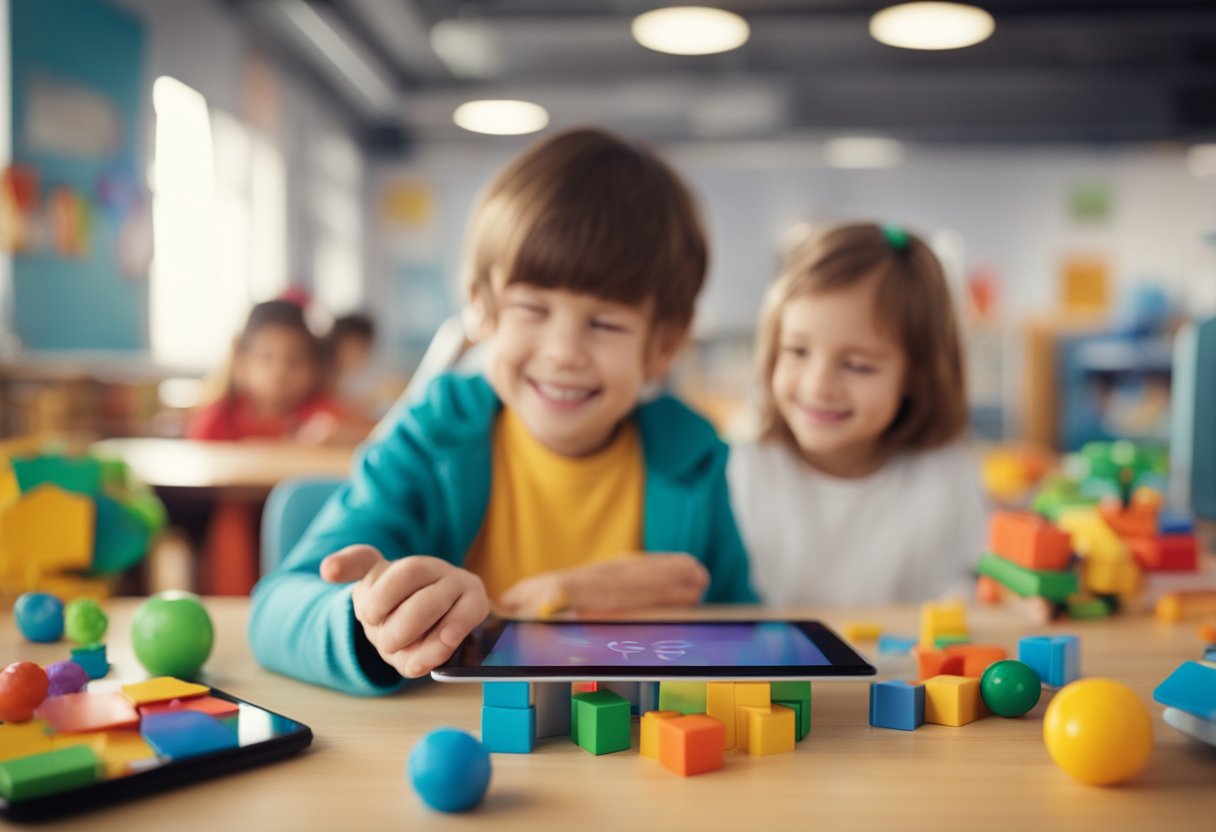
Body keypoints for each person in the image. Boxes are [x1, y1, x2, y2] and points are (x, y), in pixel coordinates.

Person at [250, 127, 758, 696]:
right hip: (463, 736)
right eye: (532, 308)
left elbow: (752, 633)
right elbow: (274, 610)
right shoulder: (433, 433)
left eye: (605, 323)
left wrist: (674, 620)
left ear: (664, 343)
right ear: (483, 309)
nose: (563, 351)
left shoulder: (691, 456)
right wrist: (372, 620)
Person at [729, 222, 988, 606]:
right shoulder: (741, 470)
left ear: (916, 377)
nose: (818, 387)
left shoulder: (947, 474)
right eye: (798, 352)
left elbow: (980, 589)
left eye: (858, 365)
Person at [187, 299, 352, 443]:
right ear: (240, 365)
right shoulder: (218, 420)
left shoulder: (322, 415)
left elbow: (372, 436)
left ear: (315, 369)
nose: (280, 373)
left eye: (295, 361)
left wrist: (339, 435)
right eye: (266, 358)